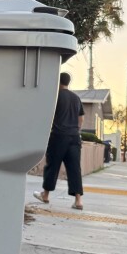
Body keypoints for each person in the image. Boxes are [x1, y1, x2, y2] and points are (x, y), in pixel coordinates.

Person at [33, 72, 85, 210]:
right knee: (75, 168)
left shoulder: (55, 97)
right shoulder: (76, 98)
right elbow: (81, 119)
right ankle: (78, 201)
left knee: (52, 166)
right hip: (74, 137)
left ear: (58, 81)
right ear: (68, 82)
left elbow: (46, 116)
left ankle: (45, 195)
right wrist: (76, 130)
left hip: (58, 136)